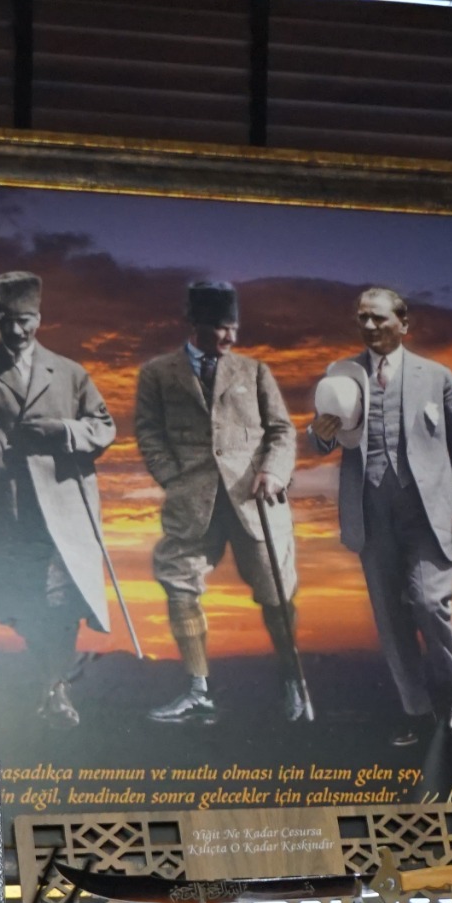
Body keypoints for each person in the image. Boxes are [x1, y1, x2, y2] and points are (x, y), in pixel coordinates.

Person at [0, 271, 116, 728]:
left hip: (60, 504)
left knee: (60, 596)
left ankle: (55, 686)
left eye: (25, 320)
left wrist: (64, 431)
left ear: (39, 318)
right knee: (23, 598)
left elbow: (104, 426)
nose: (16, 330)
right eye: (6, 322)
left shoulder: (69, 372)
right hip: (1, 502)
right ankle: (52, 684)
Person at [306, 288, 452, 747]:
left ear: (404, 323)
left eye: (379, 318)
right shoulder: (342, 376)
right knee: (390, 617)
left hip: (428, 514)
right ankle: (417, 711)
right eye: (362, 318)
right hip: (370, 513)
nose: (369, 326)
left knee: (429, 604)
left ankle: (451, 690)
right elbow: (323, 440)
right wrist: (319, 433)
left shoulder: (437, 376)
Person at [135, 280, 307, 726]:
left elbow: (282, 431)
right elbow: (149, 431)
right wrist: (172, 477)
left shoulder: (254, 371)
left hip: (254, 503)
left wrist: (273, 471)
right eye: (220, 327)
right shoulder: (158, 373)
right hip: (192, 503)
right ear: (195, 324)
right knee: (180, 584)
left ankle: (293, 680)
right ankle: (198, 692)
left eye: (234, 327)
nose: (230, 336)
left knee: (276, 594)